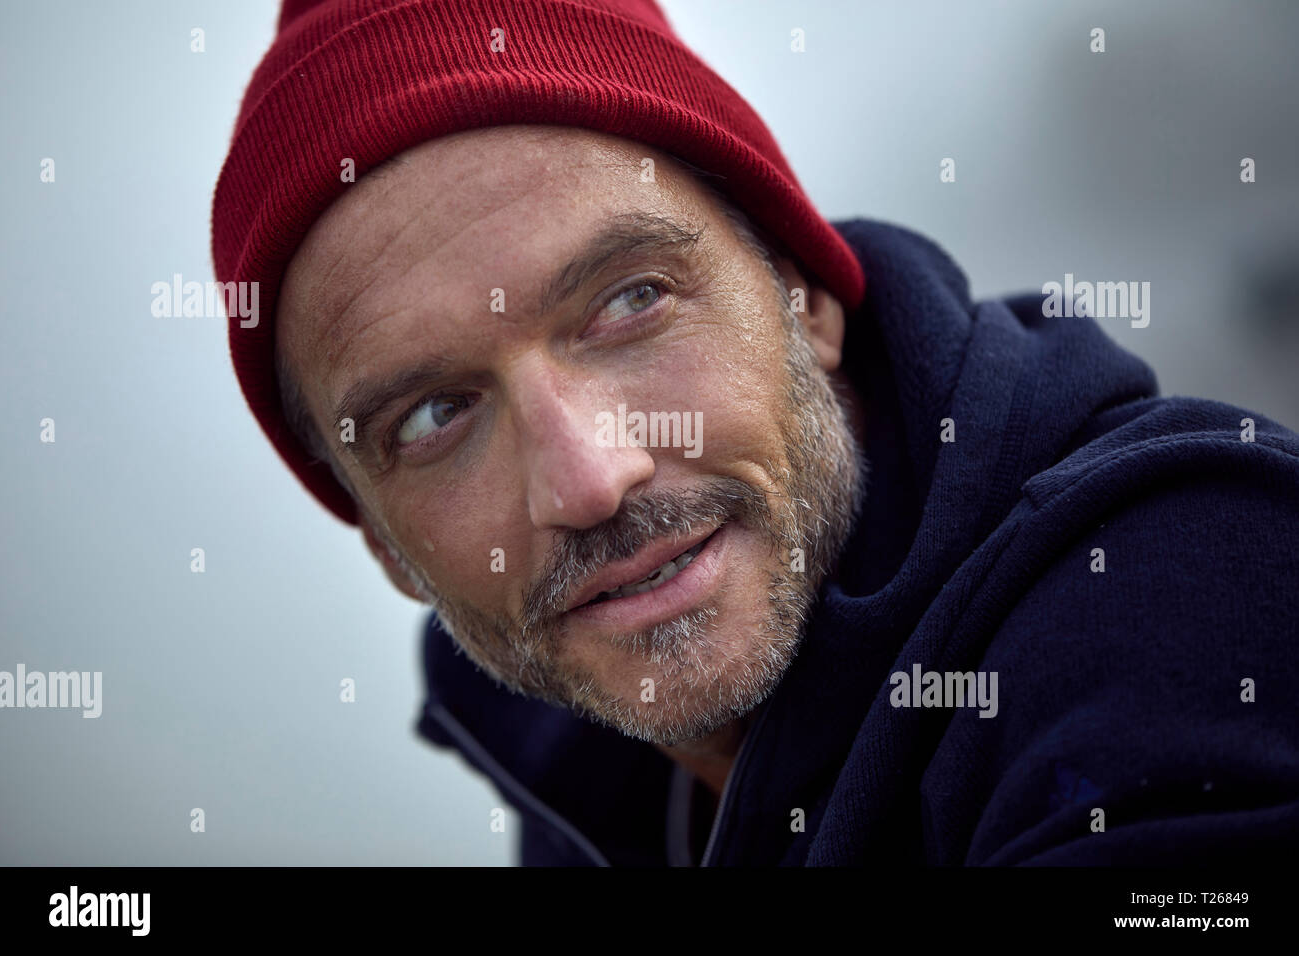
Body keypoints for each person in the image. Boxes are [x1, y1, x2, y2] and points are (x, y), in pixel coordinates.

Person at [211, 0, 1299, 865]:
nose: (589, 479)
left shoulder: (1175, 579)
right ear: (385, 545)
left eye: (629, 301)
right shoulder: (592, 781)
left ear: (805, 294)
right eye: (436, 414)